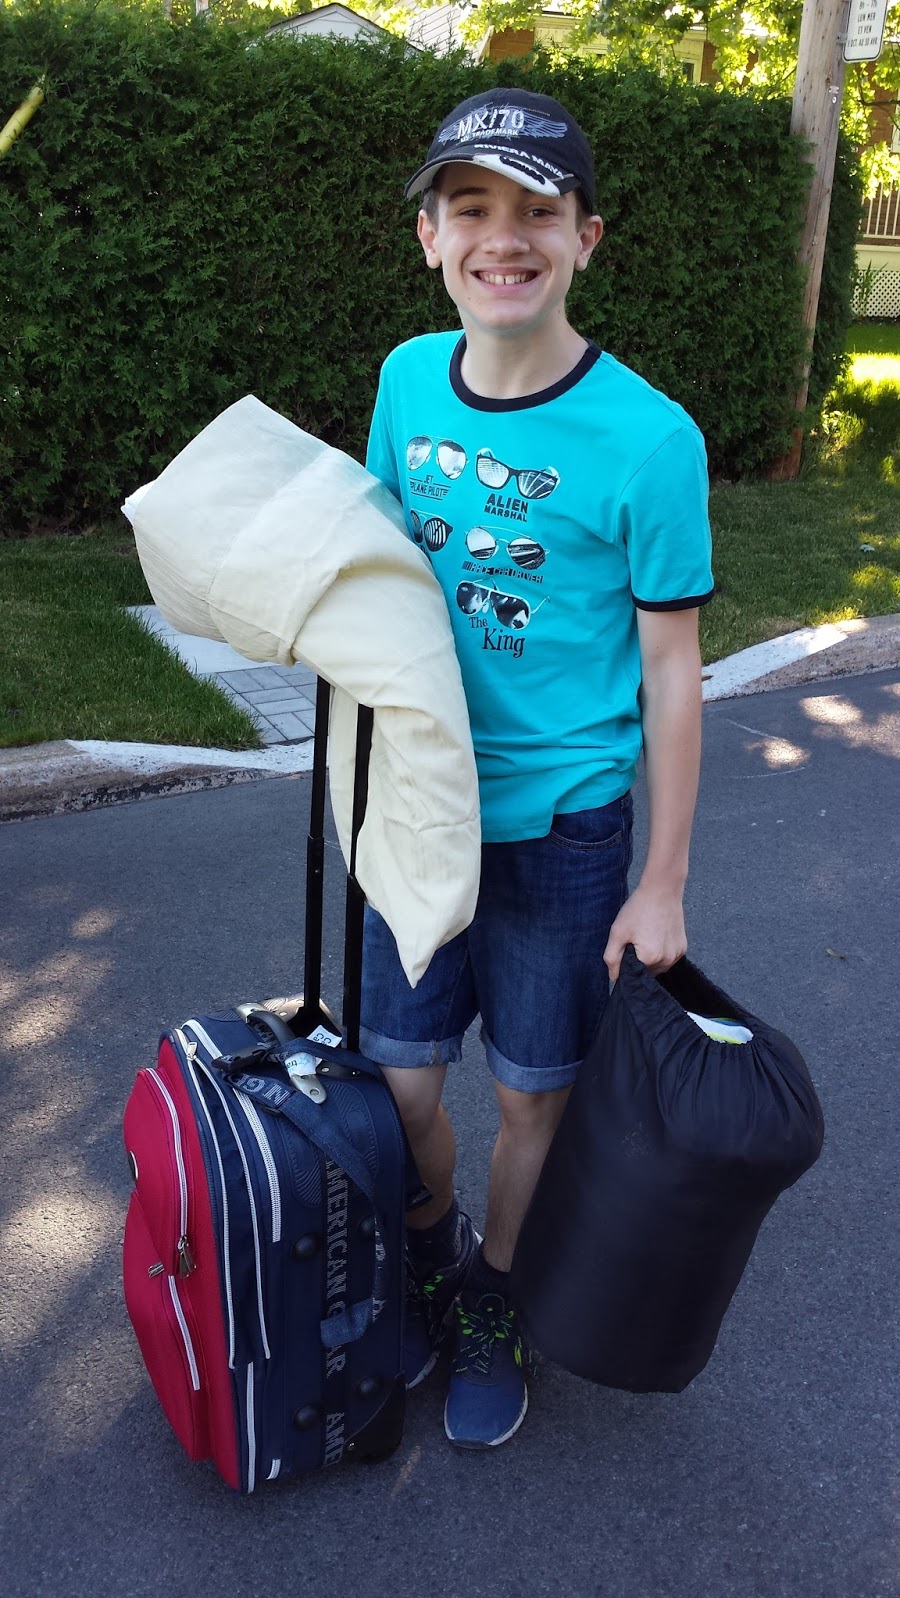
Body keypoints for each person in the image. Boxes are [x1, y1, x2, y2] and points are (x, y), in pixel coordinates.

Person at [360, 87, 714, 1450]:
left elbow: (672, 672)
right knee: (400, 1083)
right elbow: (373, 567)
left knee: (531, 1092)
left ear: (585, 240)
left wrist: (661, 883)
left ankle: (496, 1297)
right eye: (472, 208)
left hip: (563, 827)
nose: (502, 239)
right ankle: (430, 1255)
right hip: (415, 807)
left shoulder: (650, 441)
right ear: (430, 238)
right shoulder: (405, 379)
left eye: (537, 211)